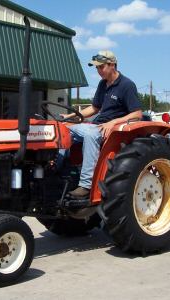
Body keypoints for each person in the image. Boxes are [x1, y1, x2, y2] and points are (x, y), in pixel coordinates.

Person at [61, 50, 142, 199]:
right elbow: (94, 108)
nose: (98, 71)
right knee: (62, 130)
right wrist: (70, 116)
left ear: (112, 65)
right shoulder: (103, 84)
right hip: (97, 124)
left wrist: (113, 122)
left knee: (91, 135)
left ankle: (86, 185)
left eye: (101, 67)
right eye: (97, 68)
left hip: (113, 128)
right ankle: (58, 171)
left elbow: (137, 114)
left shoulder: (127, 85)